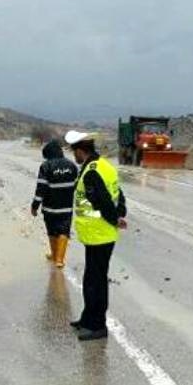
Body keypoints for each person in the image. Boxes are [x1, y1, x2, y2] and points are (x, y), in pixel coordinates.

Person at [64, 131, 127, 341]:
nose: (75, 157)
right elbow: (118, 193)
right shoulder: (104, 166)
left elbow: (103, 201)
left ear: (81, 151)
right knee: (92, 278)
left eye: (75, 153)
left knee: (95, 282)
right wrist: (120, 214)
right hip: (100, 234)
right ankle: (87, 318)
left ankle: (97, 325)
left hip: (99, 234)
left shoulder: (91, 172)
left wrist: (115, 219)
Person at [31, 139, 78, 268]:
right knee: (64, 232)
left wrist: (34, 206)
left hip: (50, 208)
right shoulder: (72, 166)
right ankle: (59, 260)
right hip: (66, 208)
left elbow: (41, 188)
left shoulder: (46, 166)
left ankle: (54, 254)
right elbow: (78, 186)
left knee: (52, 232)